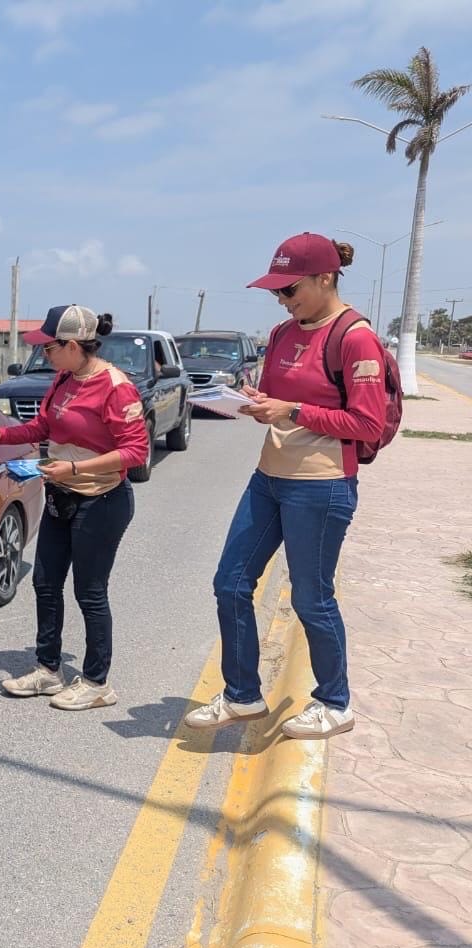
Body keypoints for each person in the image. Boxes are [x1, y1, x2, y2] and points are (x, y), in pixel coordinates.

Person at [184, 233, 388, 740]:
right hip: (269, 477)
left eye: (290, 289)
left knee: (312, 598)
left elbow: (367, 423)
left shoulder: (355, 338)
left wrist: (292, 410)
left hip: (321, 484)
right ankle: (242, 695)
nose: (281, 299)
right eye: (276, 291)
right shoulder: (281, 333)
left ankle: (335, 703)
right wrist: (255, 401)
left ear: (325, 279)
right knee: (230, 583)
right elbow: (276, 399)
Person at [0, 305, 148, 710]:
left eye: (48, 348)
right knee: (45, 583)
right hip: (61, 494)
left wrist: (75, 467)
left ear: (72, 345)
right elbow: (44, 427)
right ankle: (49, 670)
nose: (43, 354)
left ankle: (97, 682)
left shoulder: (115, 387)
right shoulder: (64, 379)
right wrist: (0, 435)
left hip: (102, 500)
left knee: (90, 592)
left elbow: (136, 451)